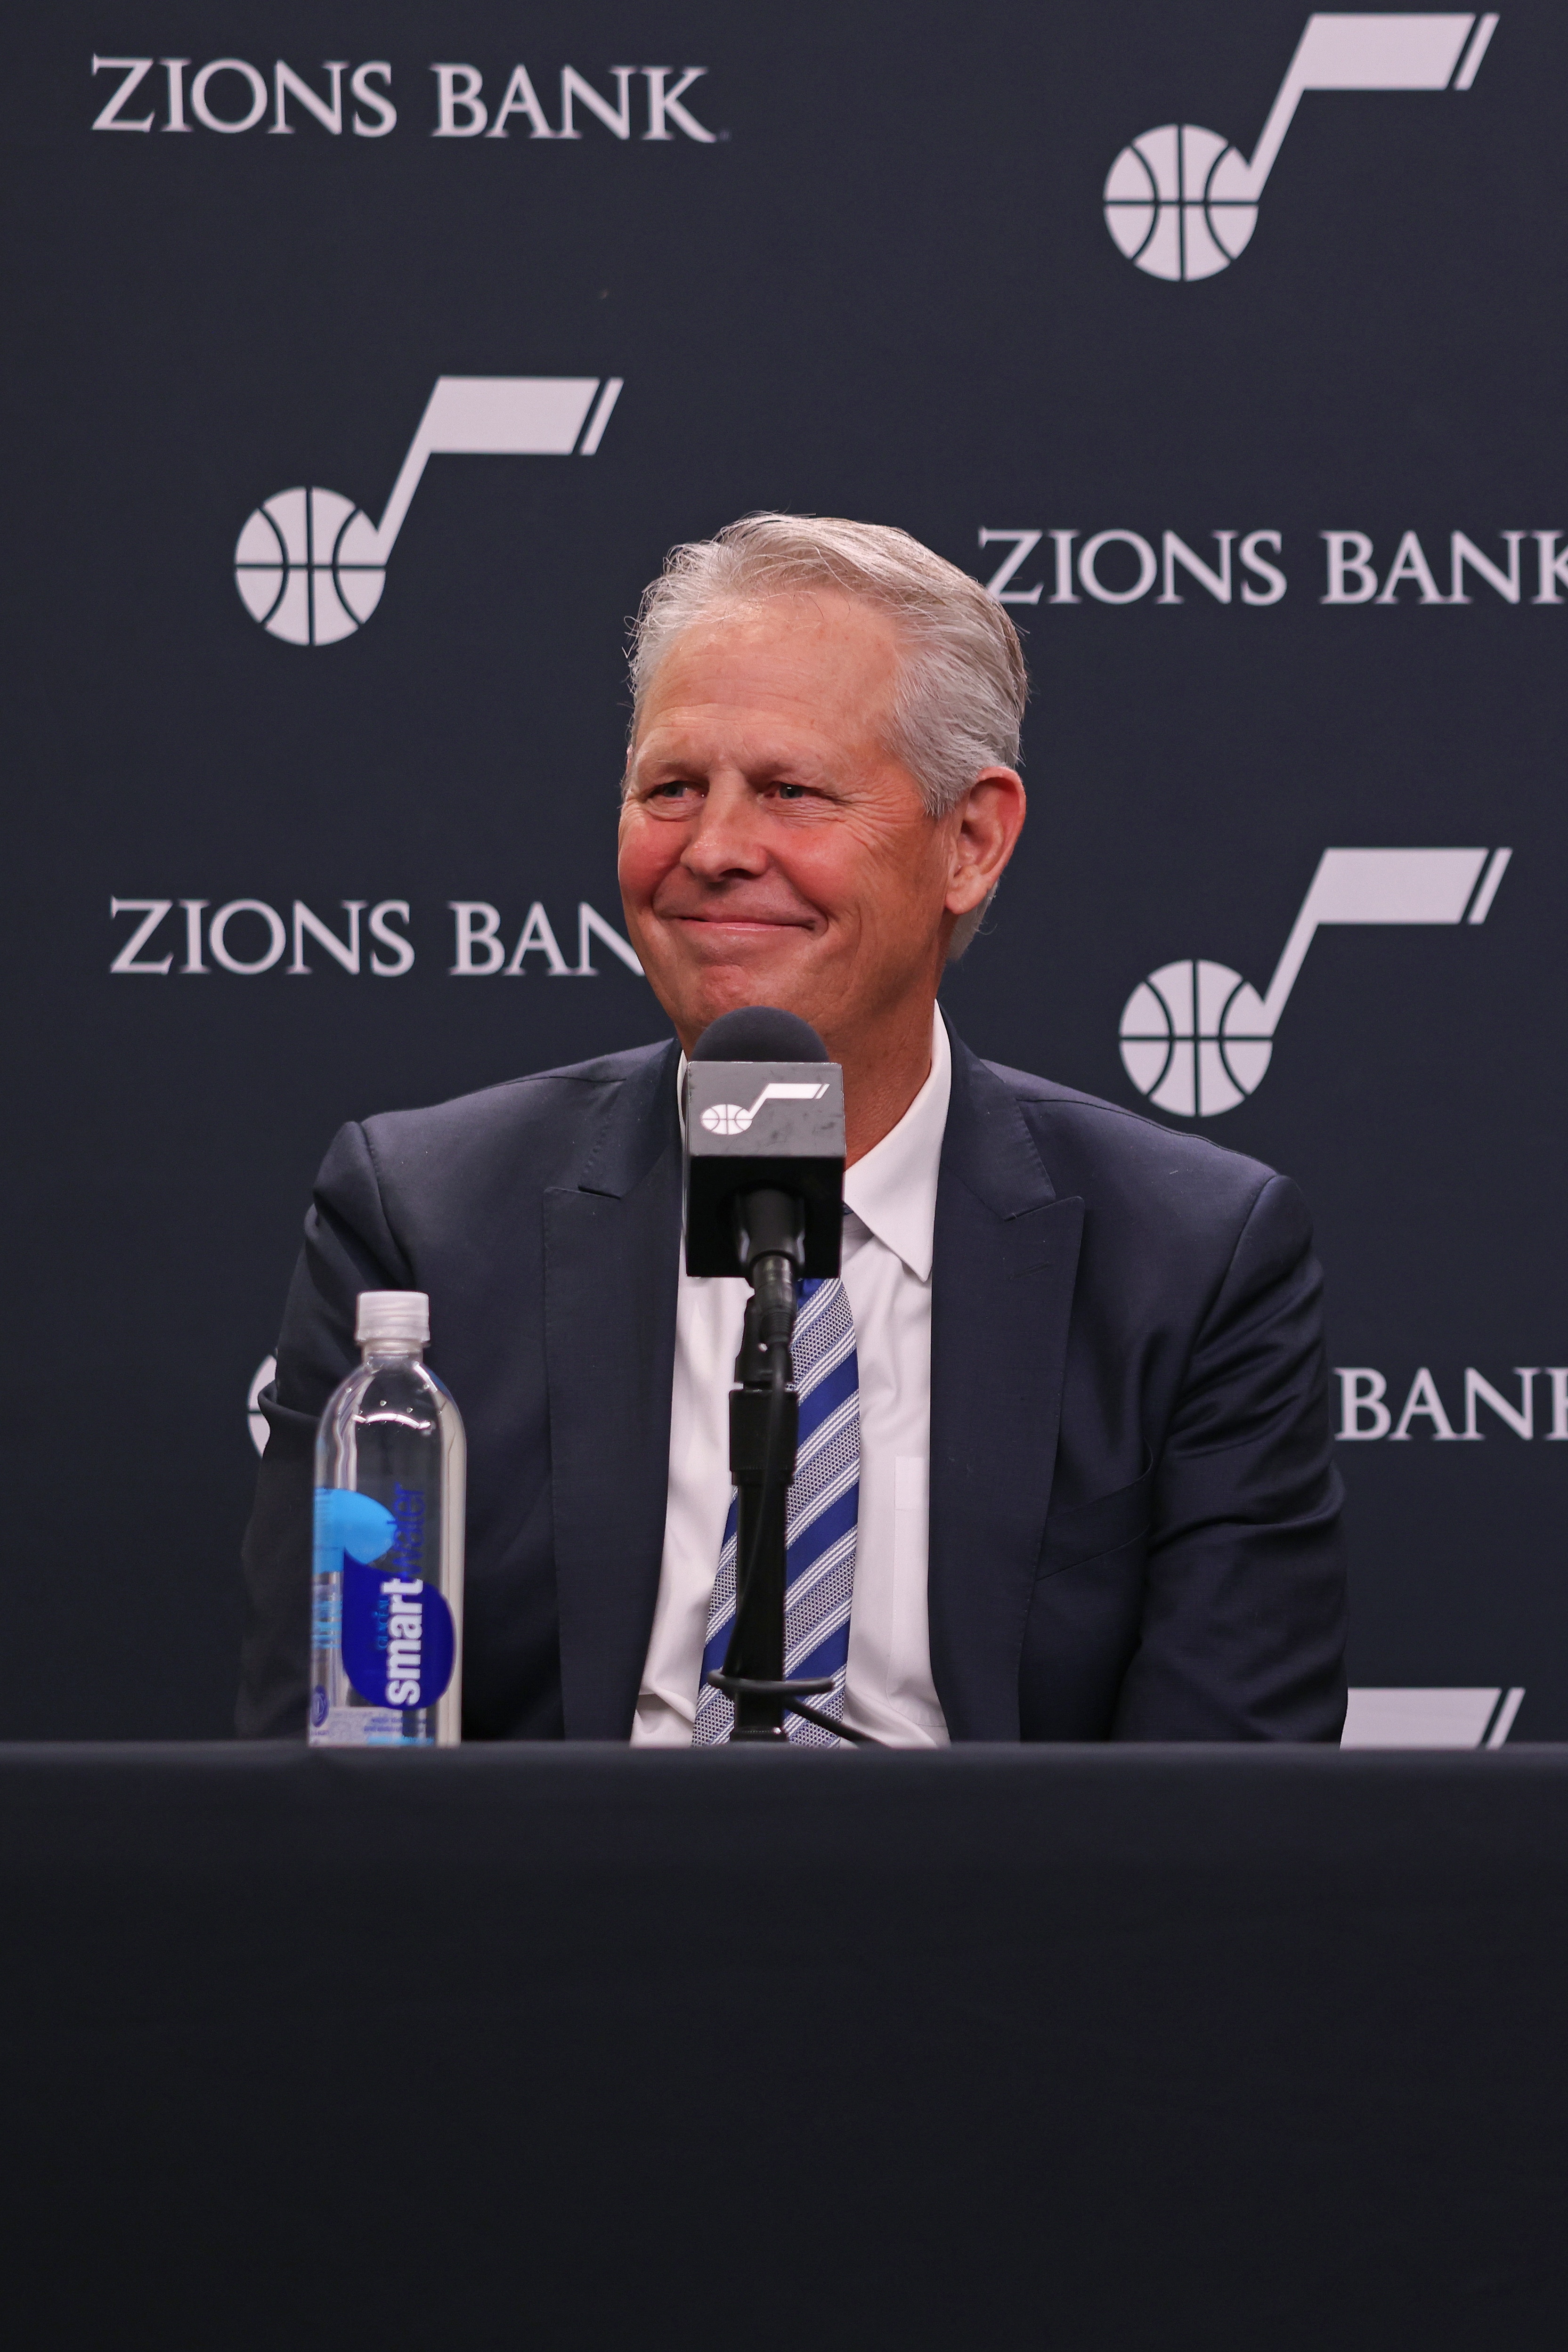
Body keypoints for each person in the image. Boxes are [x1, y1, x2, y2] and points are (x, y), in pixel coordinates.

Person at [239, 514, 1346, 1744]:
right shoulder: (420, 1220)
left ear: (969, 841)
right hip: (548, 1923)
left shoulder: (1190, 1261)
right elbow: (324, 1767)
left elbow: (1228, 1815)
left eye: (789, 791)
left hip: (1004, 1930)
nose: (712, 849)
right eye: (670, 789)